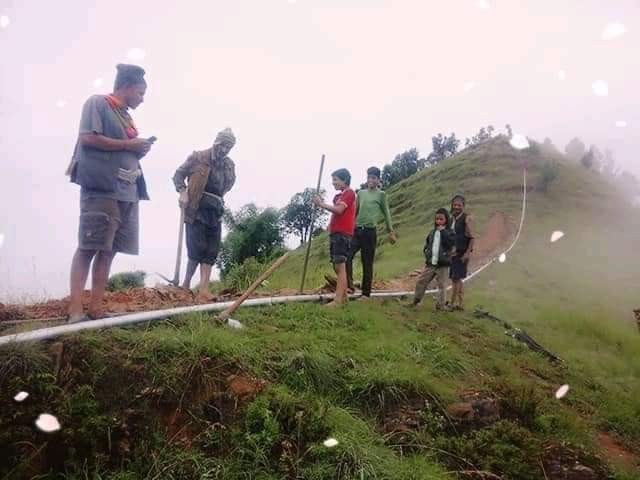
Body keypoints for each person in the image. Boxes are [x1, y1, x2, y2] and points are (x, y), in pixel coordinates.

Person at [65, 64, 154, 323]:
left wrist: (139, 149)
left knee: (110, 249)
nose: (142, 98)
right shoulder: (98, 103)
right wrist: (130, 145)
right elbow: (87, 138)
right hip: (103, 188)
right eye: (140, 92)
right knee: (89, 247)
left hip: (127, 191)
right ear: (126, 87)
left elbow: (124, 146)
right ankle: (74, 310)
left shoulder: (125, 115)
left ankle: (96, 308)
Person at [173, 128, 236, 301]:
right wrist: (183, 192)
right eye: (222, 145)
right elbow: (178, 175)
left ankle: (204, 290)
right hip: (196, 208)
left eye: (228, 147)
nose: (224, 150)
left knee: (211, 249)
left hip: (215, 210)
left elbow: (228, 185)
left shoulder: (229, 165)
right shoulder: (198, 157)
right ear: (216, 142)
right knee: (196, 247)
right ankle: (185, 285)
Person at [346, 166, 396, 298]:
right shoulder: (361, 193)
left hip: (370, 233)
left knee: (367, 263)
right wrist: (349, 228)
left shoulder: (381, 195)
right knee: (347, 256)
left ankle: (366, 294)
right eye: (369, 177)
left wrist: (390, 231)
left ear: (378, 180)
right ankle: (349, 286)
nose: (370, 180)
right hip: (357, 230)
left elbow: (387, 214)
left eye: (373, 178)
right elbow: (354, 212)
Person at [313, 168, 356, 307]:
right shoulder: (338, 196)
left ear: (344, 180)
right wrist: (330, 226)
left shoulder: (349, 193)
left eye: (336, 180)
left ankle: (338, 301)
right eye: (333, 180)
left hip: (343, 234)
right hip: (336, 233)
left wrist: (321, 204)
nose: (333, 183)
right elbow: (336, 213)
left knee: (340, 266)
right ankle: (343, 298)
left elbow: (339, 210)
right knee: (336, 266)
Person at [411, 208, 455, 310]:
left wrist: (443, 232)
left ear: (446, 220)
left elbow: (451, 243)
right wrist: (427, 253)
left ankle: (441, 305)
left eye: (441, 219)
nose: (438, 221)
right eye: (437, 219)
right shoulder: (432, 232)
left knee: (442, 286)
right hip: (431, 264)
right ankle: (416, 301)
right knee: (421, 282)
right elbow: (427, 244)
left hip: (443, 264)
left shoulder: (450, 232)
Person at [449, 194, 475, 311]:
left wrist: (467, 254)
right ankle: (460, 304)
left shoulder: (465, 219)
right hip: (453, 254)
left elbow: (472, 237)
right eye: (455, 205)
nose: (456, 207)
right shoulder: (452, 219)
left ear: (463, 206)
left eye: (459, 205)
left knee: (456, 279)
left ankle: (452, 303)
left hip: (461, 254)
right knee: (457, 279)